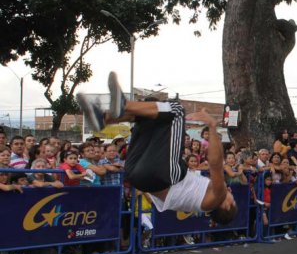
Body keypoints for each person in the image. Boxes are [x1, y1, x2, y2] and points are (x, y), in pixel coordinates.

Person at [77, 71, 236, 222]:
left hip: (164, 177)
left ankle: (123, 105)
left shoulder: (218, 196)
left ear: (227, 205)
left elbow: (215, 164)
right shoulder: (203, 202)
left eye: (232, 198)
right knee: (150, 114)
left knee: (176, 110)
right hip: (136, 176)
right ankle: (104, 118)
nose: (230, 192)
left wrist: (212, 126)